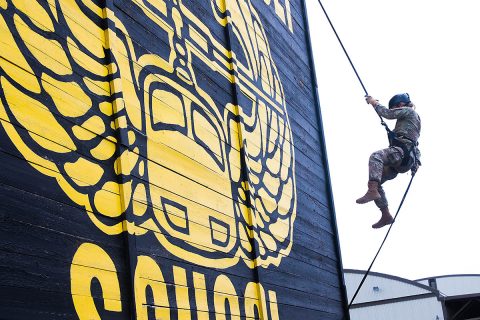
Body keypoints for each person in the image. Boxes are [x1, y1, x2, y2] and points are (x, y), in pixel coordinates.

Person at [356, 93, 421, 229]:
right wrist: (415, 165)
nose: (396, 109)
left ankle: (372, 190)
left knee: (376, 157)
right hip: (404, 161)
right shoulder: (413, 122)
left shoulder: (408, 111)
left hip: (400, 153)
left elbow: (387, 113)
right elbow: (416, 146)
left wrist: (374, 102)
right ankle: (385, 215)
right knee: (377, 180)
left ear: (401, 105)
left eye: (397, 107)